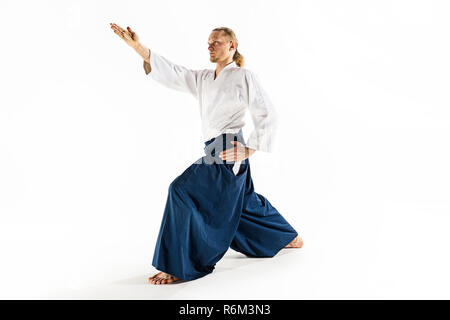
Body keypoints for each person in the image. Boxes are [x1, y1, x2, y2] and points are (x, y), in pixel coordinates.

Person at [110, 23, 304, 285]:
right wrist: (138, 48)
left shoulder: (243, 76)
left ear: (231, 46)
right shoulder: (203, 78)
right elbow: (174, 72)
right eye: (209, 42)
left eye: (216, 42)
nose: (210, 46)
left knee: (180, 190)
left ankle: (177, 265)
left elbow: (267, 112)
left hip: (227, 148)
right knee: (243, 204)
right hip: (216, 148)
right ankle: (286, 236)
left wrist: (249, 149)